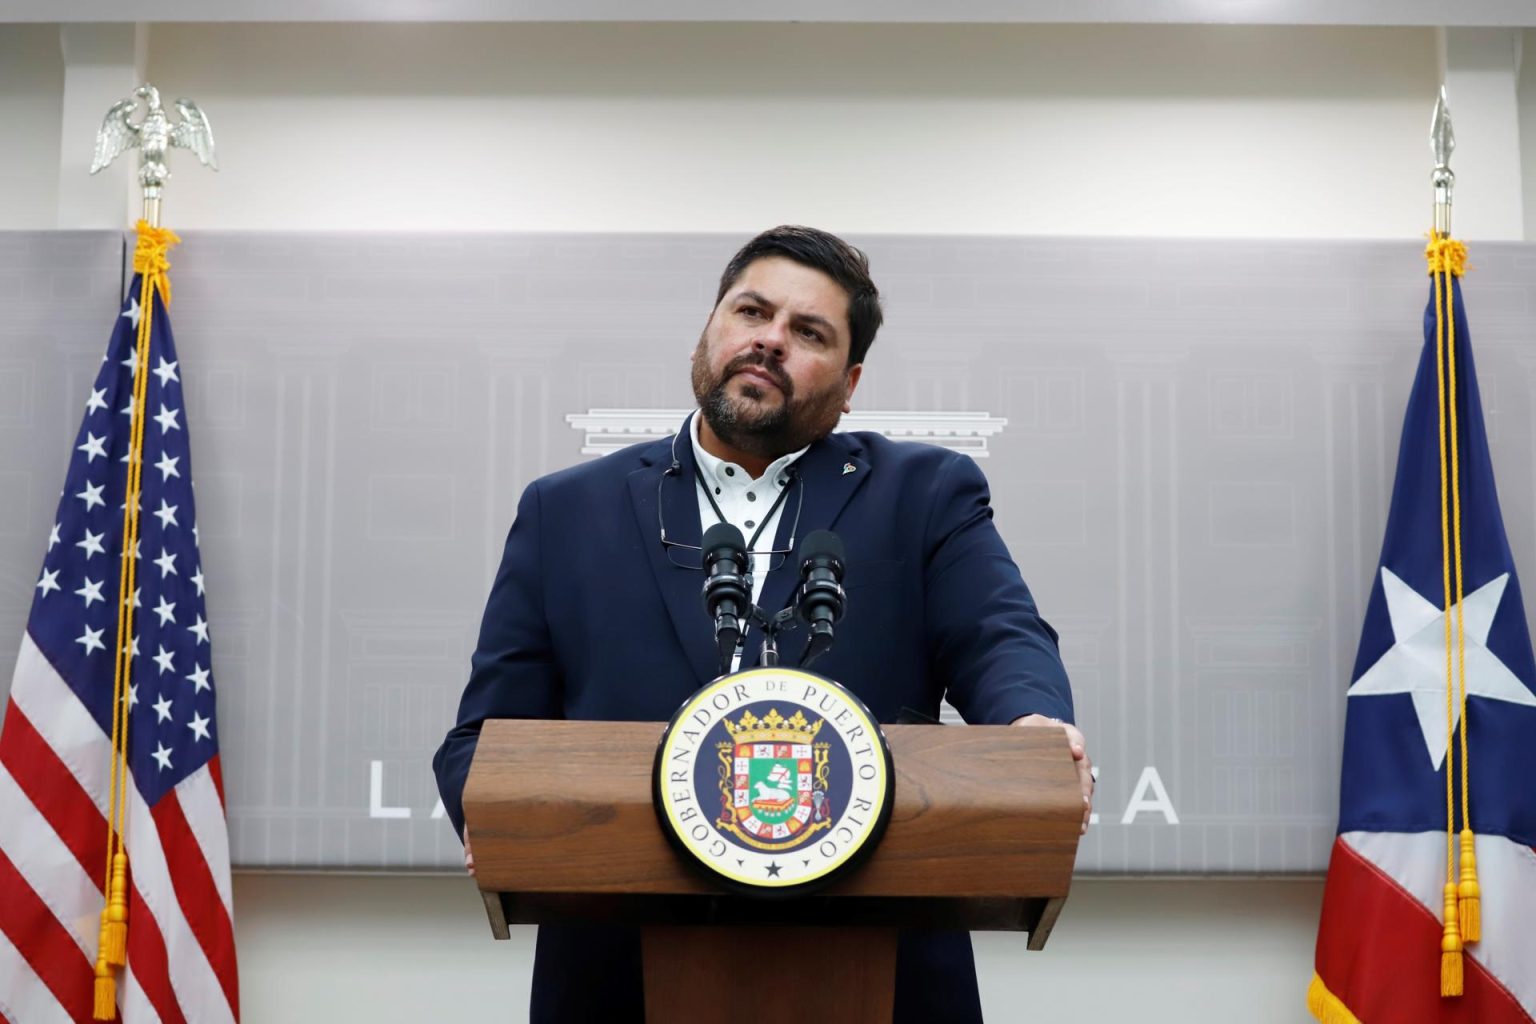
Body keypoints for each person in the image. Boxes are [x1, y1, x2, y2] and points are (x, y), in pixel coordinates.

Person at [433, 225, 1093, 1023]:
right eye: (751, 312)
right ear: (705, 335)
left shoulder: (925, 493)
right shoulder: (567, 510)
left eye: (808, 332)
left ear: (849, 385)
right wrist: (493, 807)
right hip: (617, 978)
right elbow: (484, 736)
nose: (770, 340)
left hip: (879, 974)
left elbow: (999, 634)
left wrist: (1031, 723)